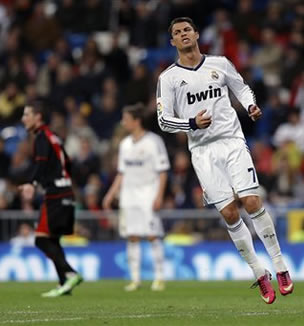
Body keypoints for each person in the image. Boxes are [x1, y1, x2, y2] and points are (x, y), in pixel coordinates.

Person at [156, 17, 293, 304]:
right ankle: (259, 272)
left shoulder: (220, 63)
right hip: (203, 151)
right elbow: (163, 120)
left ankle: (279, 266)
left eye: (186, 30)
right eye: (177, 33)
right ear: (172, 42)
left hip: (232, 141)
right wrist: (191, 123)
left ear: (195, 34)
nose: (183, 35)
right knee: (230, 213)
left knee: (252, 202)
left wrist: (251, 105)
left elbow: (241, 87)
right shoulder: (168, 78)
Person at [19, 100, 82, 297]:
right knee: (53, 240)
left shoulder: (41, 137)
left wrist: (32, 183)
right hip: (65, 191)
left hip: (56, 194)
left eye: (27, 114)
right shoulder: (53, 136)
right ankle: (64, 283)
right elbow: (68, 162)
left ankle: (70, 273)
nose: (23, 119)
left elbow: (41, 163)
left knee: (41, 240)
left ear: (38, 117)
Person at [103, 104, 169, 292]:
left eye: (126, 119)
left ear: (136, 121)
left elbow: (163, 171)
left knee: (152, 235)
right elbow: (121, 173)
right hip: (128, 195)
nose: (123, 122)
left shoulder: (153, 141)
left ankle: (159, 277)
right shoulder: (124, 145)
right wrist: (110, 194)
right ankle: (135, 279)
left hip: (148, 193)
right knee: (132, 236)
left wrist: (159, 195)